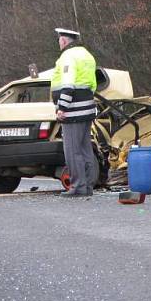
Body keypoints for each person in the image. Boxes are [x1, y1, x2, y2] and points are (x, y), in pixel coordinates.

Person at [51, 28, 98, 197]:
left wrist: (62, 107)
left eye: (59, 40)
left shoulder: (68, 57)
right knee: (85, 149)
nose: (59, 43)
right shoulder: (87, 55)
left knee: (72, 150)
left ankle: (78, 187)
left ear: (63, 40)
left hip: (73, 110)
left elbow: (68, 84)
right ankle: (88, 186)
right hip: (87, 108)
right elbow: (92, 85)